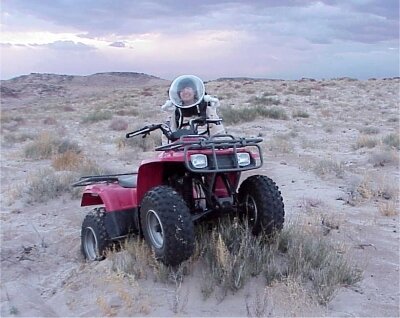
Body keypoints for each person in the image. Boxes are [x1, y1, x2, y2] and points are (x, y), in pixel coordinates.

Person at [161, 75, 225, 142]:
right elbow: (167, 138)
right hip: (181, 150)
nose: (185, 91)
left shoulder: (207, 111)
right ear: (178, 94)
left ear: (195, 91)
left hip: (204, 149)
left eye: (188, 88)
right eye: (182, 89)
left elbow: (219, 135)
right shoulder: (175, 114)